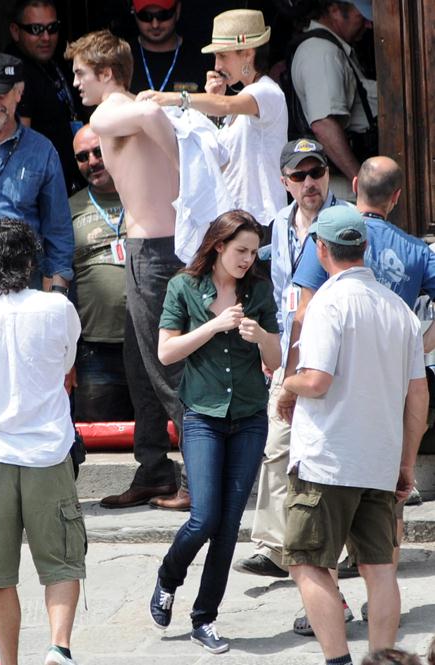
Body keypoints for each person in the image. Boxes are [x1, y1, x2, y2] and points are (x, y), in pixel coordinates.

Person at [65, 30, 230, 511]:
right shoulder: (131, 107)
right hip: (159, 249)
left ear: (106, 73)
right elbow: (151, 115)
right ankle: (155, 469)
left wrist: (180, 162)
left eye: (81, 73)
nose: (76, 83)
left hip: (155, 252)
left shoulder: (109, 111)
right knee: (140, 364)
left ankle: (201, 479)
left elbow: (151, 115)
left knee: (167, 367)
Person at [284, 155, 435, 634]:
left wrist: (286, 383)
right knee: (381, 567)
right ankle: (384, 656)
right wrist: (406, 462)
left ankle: (336, 651)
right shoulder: (403, 305)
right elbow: (418, 398)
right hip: (382, 450)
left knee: (310, 560)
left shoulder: (327, 299)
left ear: (321, 249)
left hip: (329, 455)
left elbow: (315, 374)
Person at [149, 210, 281, 654]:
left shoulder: (258, 290)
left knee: (227, 526)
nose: (248, 259)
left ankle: (204, 617)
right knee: (203, 517)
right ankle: (169, 576)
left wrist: (260, 336)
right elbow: (166, 352)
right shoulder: (184, 286)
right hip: (202, 416)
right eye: (241, 250)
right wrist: (213, 325)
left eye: (254, 252)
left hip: (249, 416)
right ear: (219, 245)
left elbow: (276, 359)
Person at [233, 138, 351, 579]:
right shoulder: (278, 223)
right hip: (289, 351)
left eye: (316, 172)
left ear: (327, 174)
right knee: (277, 446)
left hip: (335, 352)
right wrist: (273, 346)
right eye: (299, 175)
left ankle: (345, 549)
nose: (309, 182)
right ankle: (272, 546)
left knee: (334, 446)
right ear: (285, 182)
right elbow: (280, 290)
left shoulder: (346, 220)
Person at [0, 219, 86, 665]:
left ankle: (8, 661)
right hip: (48, 452)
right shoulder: (57, 308)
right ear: (30, 262)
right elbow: (66, 363)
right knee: (62, 563)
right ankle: (58, 647)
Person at [137, 8, 288, 228]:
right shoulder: (241, 99)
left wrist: (174, 98)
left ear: (248, 53)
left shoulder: (267, 91)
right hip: (234, 223)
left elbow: (225, 105)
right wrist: (212, 100)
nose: (217, 66)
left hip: (262, 222)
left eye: (223, 56)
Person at [0, 51, 74, 293]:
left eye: (1, 94)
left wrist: (58, 291)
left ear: (19, 93)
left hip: (24, 280)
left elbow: (57, 227)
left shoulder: (42, 150)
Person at [69, 124, 134, 422]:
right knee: (98, 439)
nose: (92, 161)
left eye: (98, 151)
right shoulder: (70, 207)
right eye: (82, 157)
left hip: (150, 342)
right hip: (95, 349)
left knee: (159, 438)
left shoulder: (145, 192)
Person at [291, 0, 376, 199]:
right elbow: (324, 125)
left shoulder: (331, 47)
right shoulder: (322, 52)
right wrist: (362, 185)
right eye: (360, 16)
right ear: (334, 10)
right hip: (347, 191)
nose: (368, 24)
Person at [8, 0, 84, 195]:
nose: (46, 37)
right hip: (43, 189)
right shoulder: (14, 72)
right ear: (15, 31)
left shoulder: (55, 58)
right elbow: (19, 145)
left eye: (52, 28)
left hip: (73, 180)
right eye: (36, 29)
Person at [128, 0, 206, 95]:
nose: (155, 25)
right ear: (134, 12)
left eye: (163, 15)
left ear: (177, 10)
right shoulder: (120, 57)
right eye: (145, 16)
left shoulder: (201, 58)